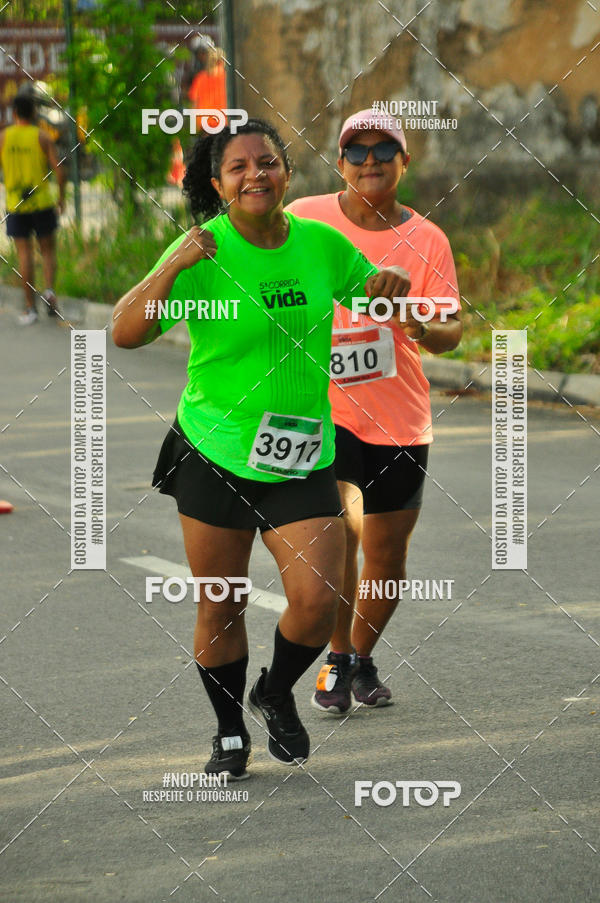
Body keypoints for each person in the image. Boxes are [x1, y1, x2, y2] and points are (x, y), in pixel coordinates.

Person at [111, 118, 409, 779]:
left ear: (286, 173)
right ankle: (226, 734)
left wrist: (392, 290)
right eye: (239, 166)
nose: (256, 174)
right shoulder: (202, 250)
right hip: (215, 447)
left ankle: (274, 694)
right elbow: (125, 331)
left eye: (267, 161)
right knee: (222, 600)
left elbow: (375, 296)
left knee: (319, 595)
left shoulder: (320, 246)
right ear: (217, 183)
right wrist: (172, 268)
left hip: (300, 450)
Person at [286, 109, 462, 714]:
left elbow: (452, 331)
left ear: (404, 163)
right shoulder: (304, 218)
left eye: (384, 151)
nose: (370, 162)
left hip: (399, 417)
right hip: (318, 410)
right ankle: (334, 659)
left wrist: (414, 317)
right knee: (337, 540)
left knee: (386, 555)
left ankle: (361, 657)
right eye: (357, 153)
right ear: (340, 164)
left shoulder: (427, 240)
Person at [0, 94, 66, 324]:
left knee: (24, 254)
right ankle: (49, 291)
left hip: (16, 205)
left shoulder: (4, 138)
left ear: (15, 113)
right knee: (47, 250)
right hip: (42, 204)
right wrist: (62, 199)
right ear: (34, 113)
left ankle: (30, 308)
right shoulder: (42, 137)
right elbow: (60, 171)